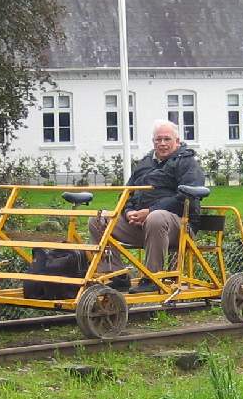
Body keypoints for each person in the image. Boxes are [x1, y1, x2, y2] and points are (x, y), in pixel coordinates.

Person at [88, 120, 206, 290]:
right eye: (158, 140)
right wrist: (128, 212)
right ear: (153, 142)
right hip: (142, 225)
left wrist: (150, 211)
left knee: (156, 217)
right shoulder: (145, 163)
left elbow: (187, 196)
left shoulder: (187, 163)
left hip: (180, 226)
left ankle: (152, 278)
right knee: (98, 220)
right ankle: (116, 276)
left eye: (167, 139)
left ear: (177, 141)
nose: (162, 144)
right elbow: (127, 192)